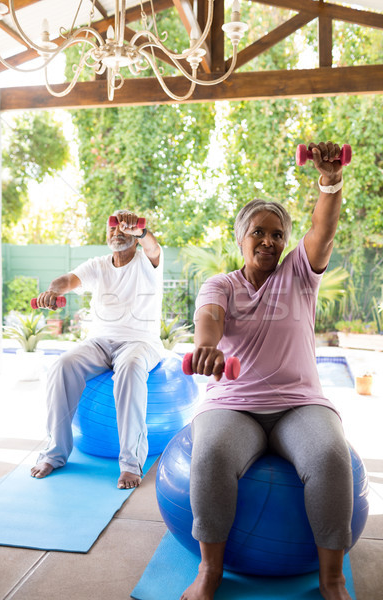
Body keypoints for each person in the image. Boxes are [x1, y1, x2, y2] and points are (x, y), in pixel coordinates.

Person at [182, 142, 354, 600]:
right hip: (233, 406)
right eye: (258, 232)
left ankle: (332, 579)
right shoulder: (221, 284)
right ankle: (210, 572)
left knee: (331, 458)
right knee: (212, 455)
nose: (268, 241)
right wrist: (206, 347)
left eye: (277, 234)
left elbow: (323, 228)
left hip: (300, 404)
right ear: (240, 239)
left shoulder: (299, 272)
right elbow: (209, 319)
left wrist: (330, 181)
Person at [30, 210, 164, 489]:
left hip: (140, 342)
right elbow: (67, 280)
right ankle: (54, 453)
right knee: (62, 365)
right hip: (100, 342)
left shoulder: (148, 261)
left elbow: (153, 246)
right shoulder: (98, 265)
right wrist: (54, 291)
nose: (117, 232)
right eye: (112, 228)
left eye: (124, 229)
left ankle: (130, 464)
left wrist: (140, 230)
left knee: (129, 368)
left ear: (136, 236)